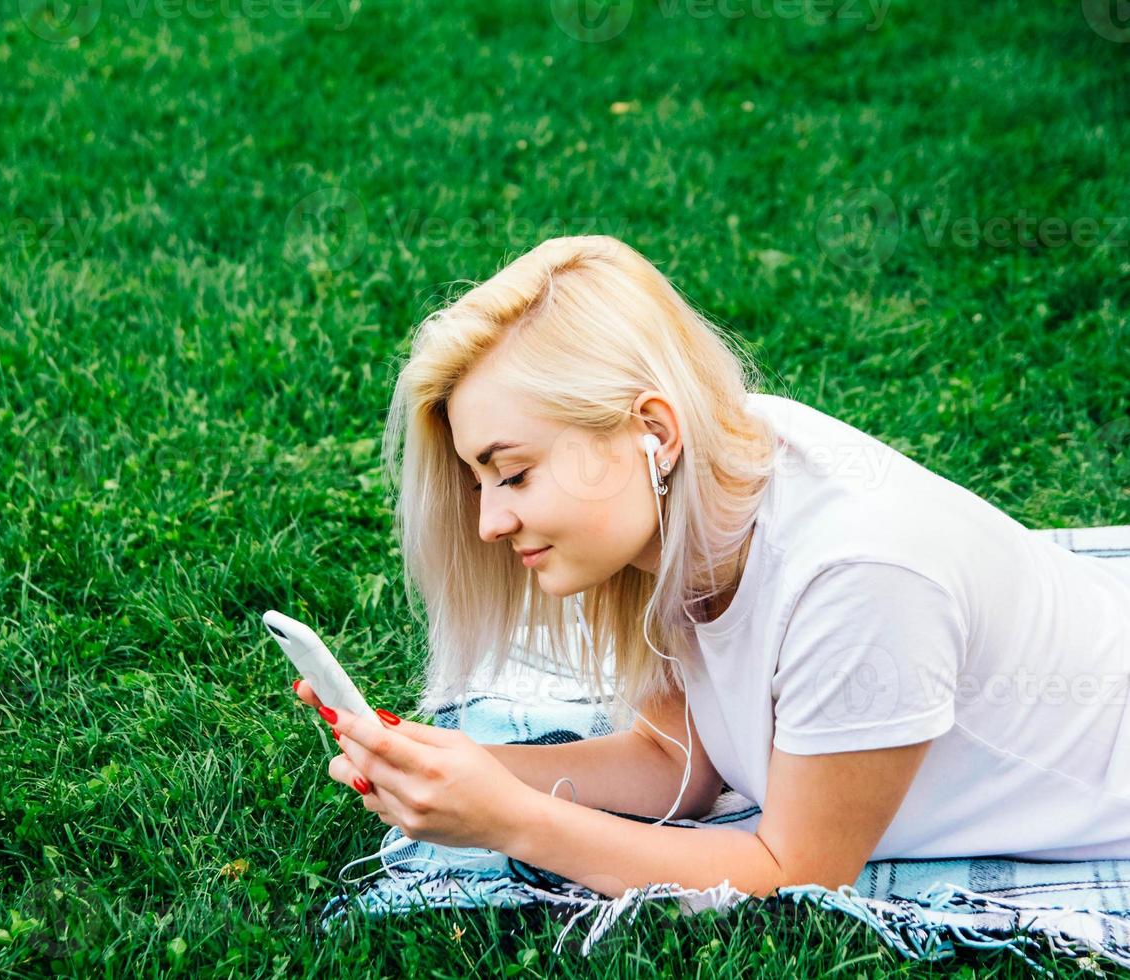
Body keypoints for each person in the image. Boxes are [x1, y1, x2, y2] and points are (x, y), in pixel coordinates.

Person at [292, 235, 1130, 900]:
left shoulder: (861, 580)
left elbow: (795, 874)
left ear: (652, 431)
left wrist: (512, 822)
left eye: (512, 474)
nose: (487, 522)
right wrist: (454, 771)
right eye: (479, 481)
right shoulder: (692, 493)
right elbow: (679, 768)